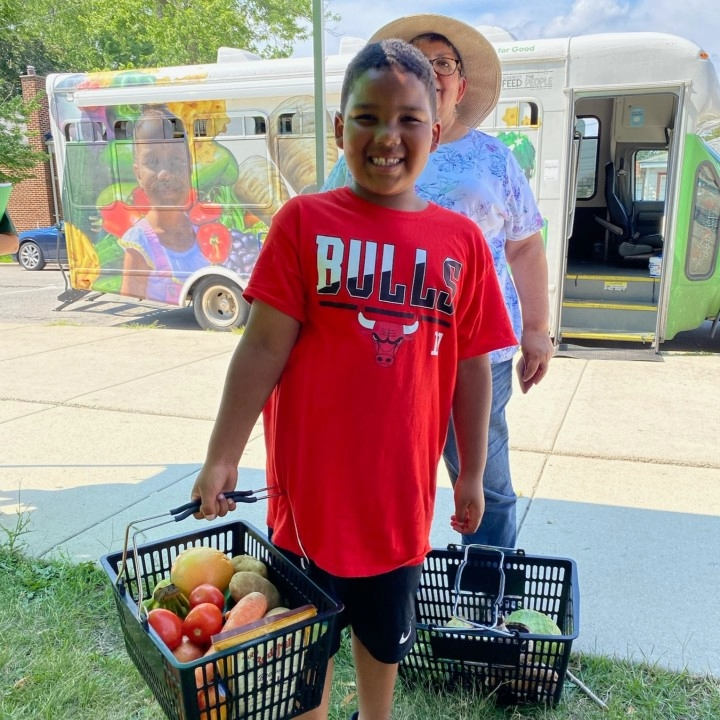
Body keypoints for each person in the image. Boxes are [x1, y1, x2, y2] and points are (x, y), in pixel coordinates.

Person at [191, 39, 516, 720]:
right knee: (307, 655)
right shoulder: (304, 222)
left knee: (383, 644)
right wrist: (222, 456)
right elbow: (261, 351)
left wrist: (470, 473)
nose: (387, 137)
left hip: (398, 507)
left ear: (436, 129)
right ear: (340, 129)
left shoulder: (461, 244)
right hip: (308, 507)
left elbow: (471, 366)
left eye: (407, 119)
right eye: (367, 117)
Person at [324, 15, 554, 549]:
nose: (431, 70)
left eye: (443, 62)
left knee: (484, 481)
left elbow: (524, 243)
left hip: (478, 354)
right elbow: (334, 233)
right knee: (387, 474)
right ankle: (390, 577)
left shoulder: (494, 159)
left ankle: (485, 599)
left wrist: (538, 328)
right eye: (418, 61)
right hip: (385, 348)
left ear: (459, 86)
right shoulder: (369, 152)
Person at [118, 106, 207, 303]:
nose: (165, 173)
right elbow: (131, 305)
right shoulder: (140, 242)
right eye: (152, 161)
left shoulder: (200, 229)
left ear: (190, 167)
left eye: (176, 160)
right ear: (138, 173)